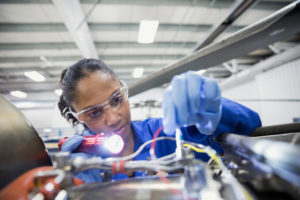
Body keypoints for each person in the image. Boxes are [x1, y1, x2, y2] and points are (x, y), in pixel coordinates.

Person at [58, 58, 261, 182]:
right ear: (79, 118)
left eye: (117, 99)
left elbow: (250, 127)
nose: (113, 118)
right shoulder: (78, 165)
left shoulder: (160, 134)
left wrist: (213, 112)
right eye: (94, 113)